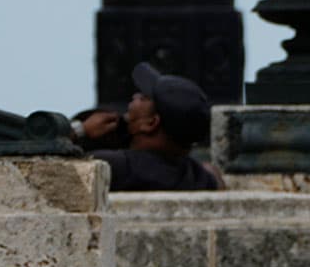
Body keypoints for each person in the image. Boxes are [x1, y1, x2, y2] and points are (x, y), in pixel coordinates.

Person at [77, 62, 221, 192]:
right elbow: (214, 175)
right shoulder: (197, 176)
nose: (135, 96)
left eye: (144, 97)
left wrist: (81, 130)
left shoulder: (116, 166)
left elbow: (58, 169)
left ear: (151, 123)